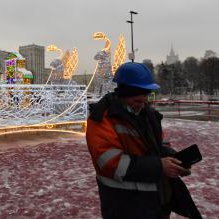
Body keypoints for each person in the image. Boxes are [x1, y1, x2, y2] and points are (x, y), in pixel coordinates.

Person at [86, 62, 201, 219]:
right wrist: (159, 166)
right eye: (136, 100)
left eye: (144, 98)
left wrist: (175, 161)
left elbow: (158, 146)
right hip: (125, 207)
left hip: (156, 205)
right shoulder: (101, 119)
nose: (141, 104)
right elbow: (110, 163)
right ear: (123, 94)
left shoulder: (148, 115)